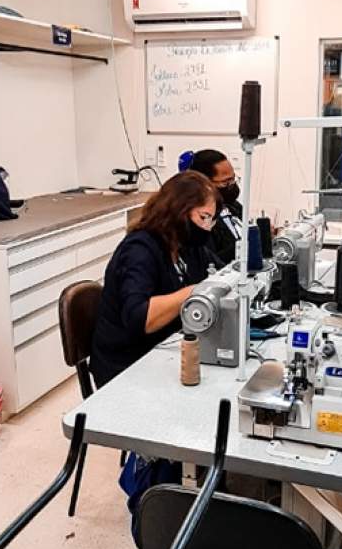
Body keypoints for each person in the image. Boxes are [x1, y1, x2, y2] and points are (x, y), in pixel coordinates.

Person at [90, 170, 217, 388]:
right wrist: (191, 292)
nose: (206, 227)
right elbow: (140, 318)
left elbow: (223, 274)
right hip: (125, 365)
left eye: (211, 220)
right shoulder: (140, 249)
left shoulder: (186, 245)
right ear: (179, 210)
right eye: (203, 217)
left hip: (163, 349)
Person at [186, 148, 242, 267]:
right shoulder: (200, 220)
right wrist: (243, 246)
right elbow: (208, 262)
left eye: (233, 179)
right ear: (205, 184)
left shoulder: (233, 206)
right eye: (226, 182)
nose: (232, 185)